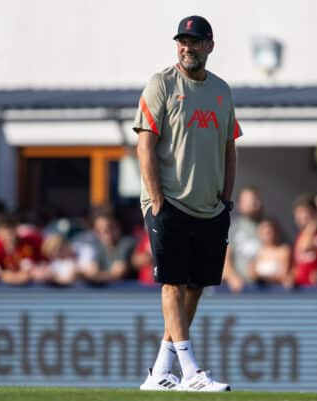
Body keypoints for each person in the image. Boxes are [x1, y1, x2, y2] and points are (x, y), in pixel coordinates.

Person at [134, 16, 241, 392]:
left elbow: (230, 146)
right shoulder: (162, 84)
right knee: (173, 284)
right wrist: (157, 199)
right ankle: (191, 371)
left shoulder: (222, 91)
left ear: (210, 46)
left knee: (195, 287)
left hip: (210, 206)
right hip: (170, 202)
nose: (187, 47)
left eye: (195, 42)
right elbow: (145, 144)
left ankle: (160, 371)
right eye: (182, 41)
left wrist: (226, 197)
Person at [222, 187, 263, 292]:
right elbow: (224, 258)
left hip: (263, 288)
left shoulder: (268, 228)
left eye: (255, 199)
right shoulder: (233, 228)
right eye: (249, 200)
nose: (253, 203)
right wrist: (232, 277)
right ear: (240, 204)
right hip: (239, 289)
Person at [247, 218, 291, 288]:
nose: (267, 235)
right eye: (264, 233)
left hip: (277, 292)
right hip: (258, 292)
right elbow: (252, 274)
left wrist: (262, 277)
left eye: (269, 232)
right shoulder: (257, 252)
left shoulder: (284, 250)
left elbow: (283, 275)